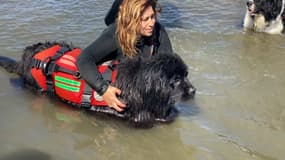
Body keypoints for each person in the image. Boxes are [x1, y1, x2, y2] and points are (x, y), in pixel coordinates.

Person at [76, 0, 173, 112]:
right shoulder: (115, 34)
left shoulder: (158, 31)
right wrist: (104, 90)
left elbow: (169, 65)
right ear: (132, 20)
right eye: (145, 19)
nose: (151, 23)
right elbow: (84, 59)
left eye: (152, 17)